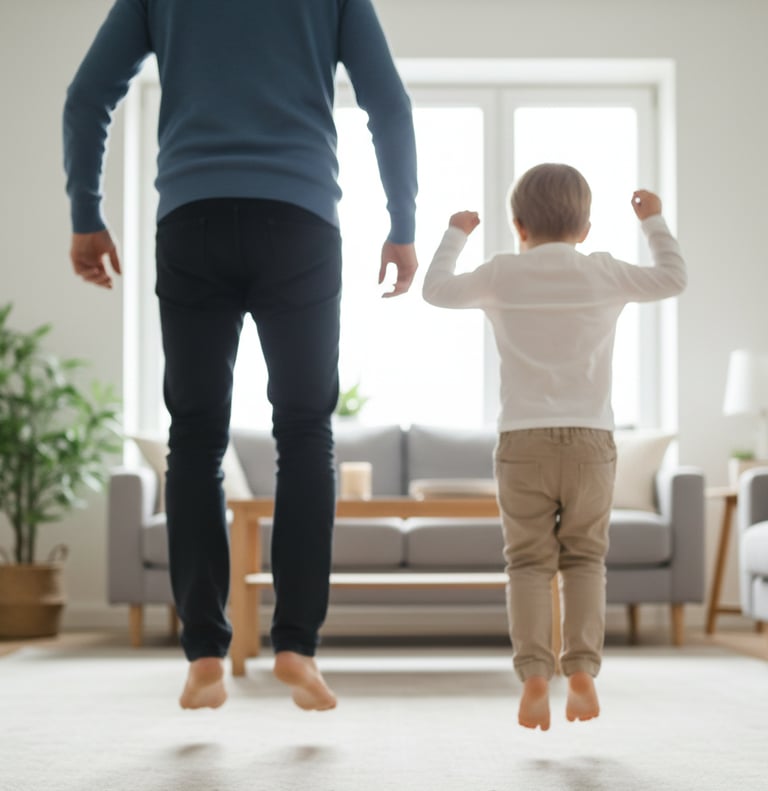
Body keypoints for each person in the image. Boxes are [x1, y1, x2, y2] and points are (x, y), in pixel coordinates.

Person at [63, 0, 418, 712]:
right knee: (305, 432)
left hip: (192, 220)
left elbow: (87, 97)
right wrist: (402, 224)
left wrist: (85, 215)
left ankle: (204, 652)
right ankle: (296, 646)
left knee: (194, 437)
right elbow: (387, 102)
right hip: (300, 224)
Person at [422, 163, 686, 730]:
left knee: (527, 562)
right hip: (590, 442)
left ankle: (535, 676)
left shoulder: (503, 273)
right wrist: (653, 221)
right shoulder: (604, 272)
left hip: (522, 441)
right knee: (585, 558)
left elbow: (436, 291)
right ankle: (583, 670)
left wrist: (456, 233)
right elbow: (672, 278)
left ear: (519, 226)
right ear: (585, 229)